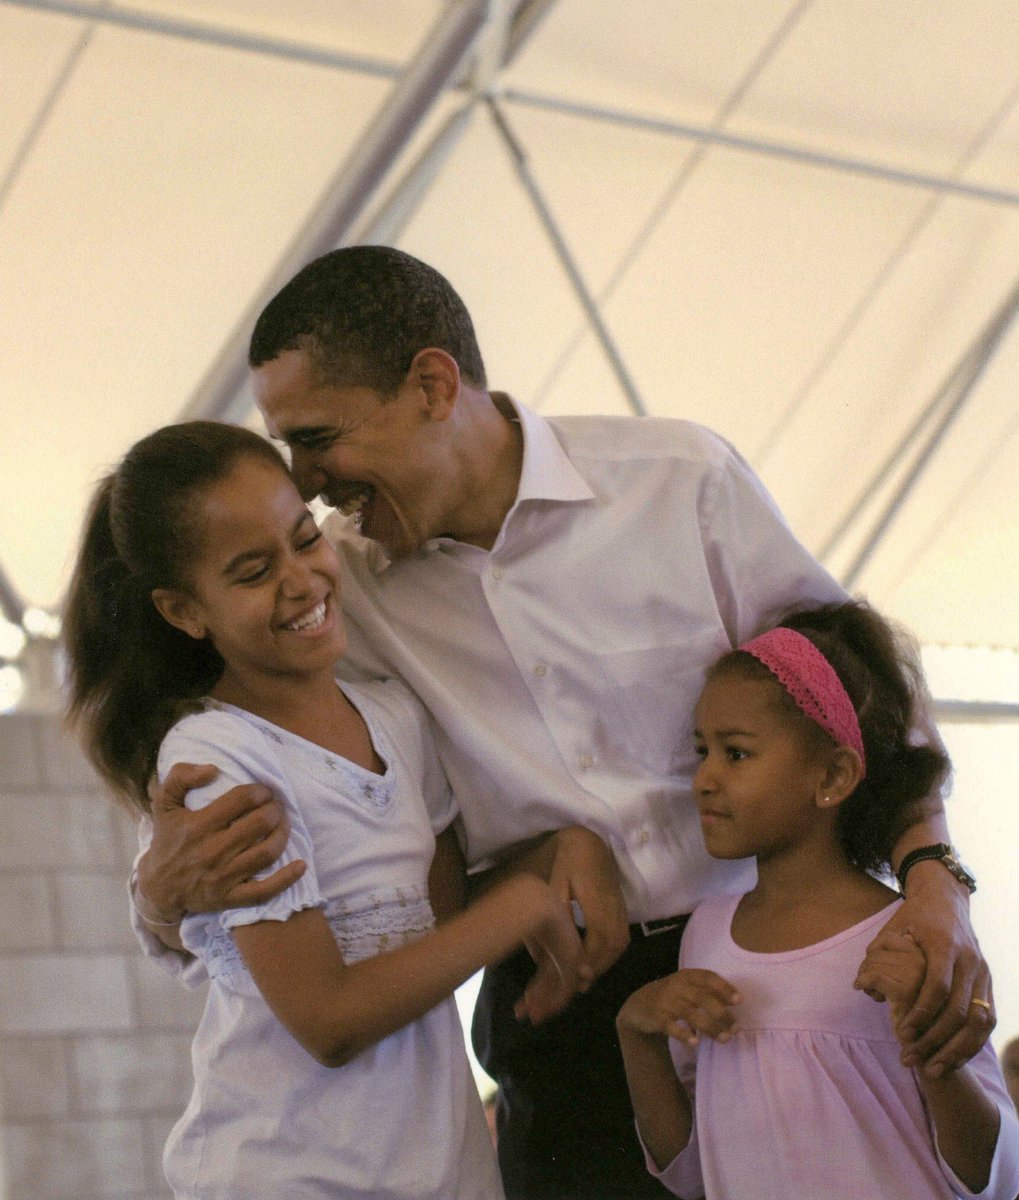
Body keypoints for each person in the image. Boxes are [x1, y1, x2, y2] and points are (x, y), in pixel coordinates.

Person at [133, 246, 992, 1200]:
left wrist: (935, 885)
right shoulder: (341, 589)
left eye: (318, 436)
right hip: (560, 1011)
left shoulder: (678, 480)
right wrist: (160, 900)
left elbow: (863, 704)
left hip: (773, 976)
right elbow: (325, 835)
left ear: (430, 383)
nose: (306, 478)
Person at [63, 420, 592, 1200]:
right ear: (183, 611)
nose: (301, 579)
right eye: (251, 572)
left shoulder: (395, 719)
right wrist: (521, 902)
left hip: (432, 1170)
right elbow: (327, 1020)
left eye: (304, 539)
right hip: (291, 1172)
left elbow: (435, 933)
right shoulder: (219, 758)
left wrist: (564, 849)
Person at [617, 601, 1019, 1198]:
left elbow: (998, 1174)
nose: (704, 778)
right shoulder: (705, 933)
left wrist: (932, 1050)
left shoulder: (906, 935)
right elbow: (696, 1174)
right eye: (703, 750)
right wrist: (636, 1034)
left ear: (832, 777)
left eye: (737, 752)